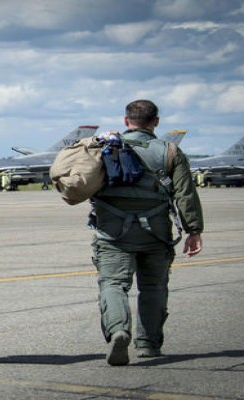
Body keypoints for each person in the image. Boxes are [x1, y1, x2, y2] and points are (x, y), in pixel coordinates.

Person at [90, 100, 204, 366]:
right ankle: (148, 345)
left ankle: (119, 331)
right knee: (153, 286)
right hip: (156, 232)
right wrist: (193, 230)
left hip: (112, 232)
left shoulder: (104, 146)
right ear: (156, 122)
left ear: (126, 120)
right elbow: (185, 194)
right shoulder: (170, 151)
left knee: (113, 284)